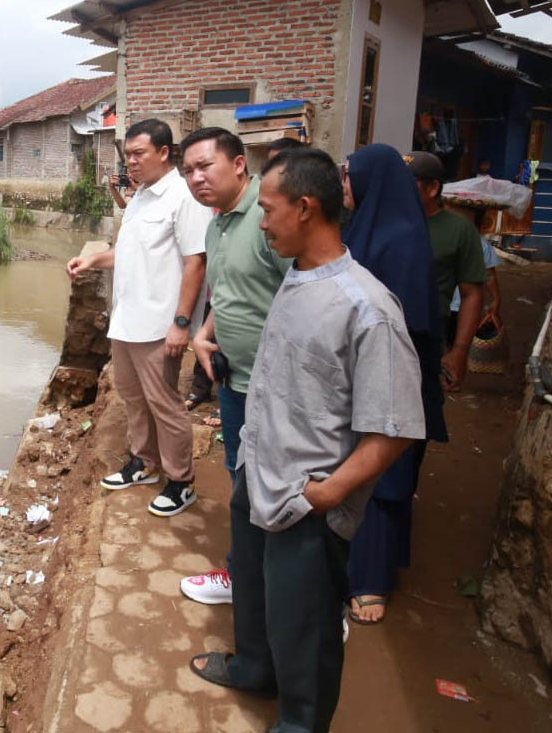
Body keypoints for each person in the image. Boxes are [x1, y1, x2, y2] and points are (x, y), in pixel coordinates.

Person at [189, 148, 425, 733]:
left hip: (306, 497)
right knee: (253, 584)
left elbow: (394, 430)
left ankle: (300, 722)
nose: (261, 222)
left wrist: (329, 494)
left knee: (306, 620)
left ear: (305, 207)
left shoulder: (368, 309)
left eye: (268, 210)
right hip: (259, 467)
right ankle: (254, 668)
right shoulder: (296, 276)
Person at [68, 118, 210, 516]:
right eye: (127, 155)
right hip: (126, 321)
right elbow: (125, 253)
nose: (130, 162)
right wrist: (93, 259)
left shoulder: (183, 198)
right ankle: (144, 462)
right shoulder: (142, 197)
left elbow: (196, 262)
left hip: (159, 326)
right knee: (132, 397)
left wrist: (182, 324)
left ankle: (180, 480)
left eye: (138, 154)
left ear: (164, 153)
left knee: (165, 403)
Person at [176, 127, 293, 605]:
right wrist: (203, 337)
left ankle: (296, 593)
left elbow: (304, 293)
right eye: (189, 171)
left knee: (281, 487)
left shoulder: (270, 218)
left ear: (239, 164)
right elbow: (228, 294)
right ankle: (243, 574)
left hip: (279, 388)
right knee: (240, 477)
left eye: (205, 166)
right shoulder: (217, 222)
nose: (196, 178)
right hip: (234, 379)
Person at [339, 144, 449, 626]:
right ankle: (351, 565)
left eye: (349, 177)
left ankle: (371, 581)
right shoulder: (365, 229)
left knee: (385, 476)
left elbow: (411, 326)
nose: (344, 186)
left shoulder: (401, 240)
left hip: (393, 378)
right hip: (360, 373)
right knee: (358, 466)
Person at [407, 151, 486, 390]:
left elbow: (472, 294)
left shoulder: (460, 231)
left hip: (428, 333)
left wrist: (459, 351)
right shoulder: (387, 223)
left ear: (433, 188)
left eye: (408, 183)